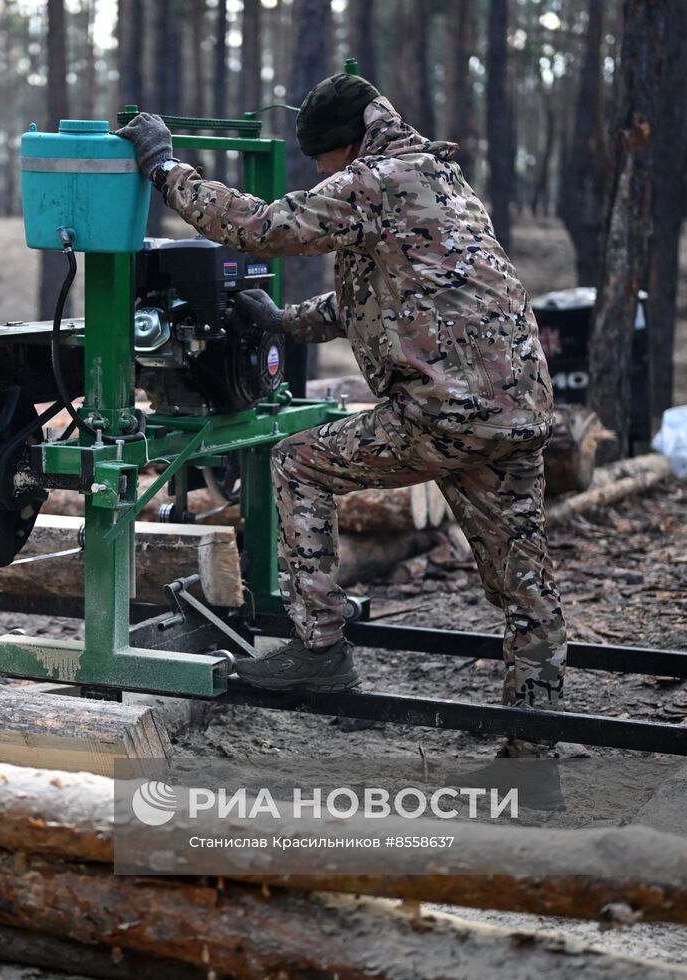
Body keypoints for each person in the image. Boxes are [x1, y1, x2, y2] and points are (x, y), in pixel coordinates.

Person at [118, 74, 566, 766]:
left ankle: (321, 649)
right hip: (517, 408)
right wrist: (284, 321)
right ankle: (534, 751)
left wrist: (164, 166)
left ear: (343, 146)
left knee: (296, 461)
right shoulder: (438, 177)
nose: (319, 176)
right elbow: (394, 293)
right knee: (524, 583)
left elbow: (259, 229)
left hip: (448, 413)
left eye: (320, 163)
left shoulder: (373, 179)